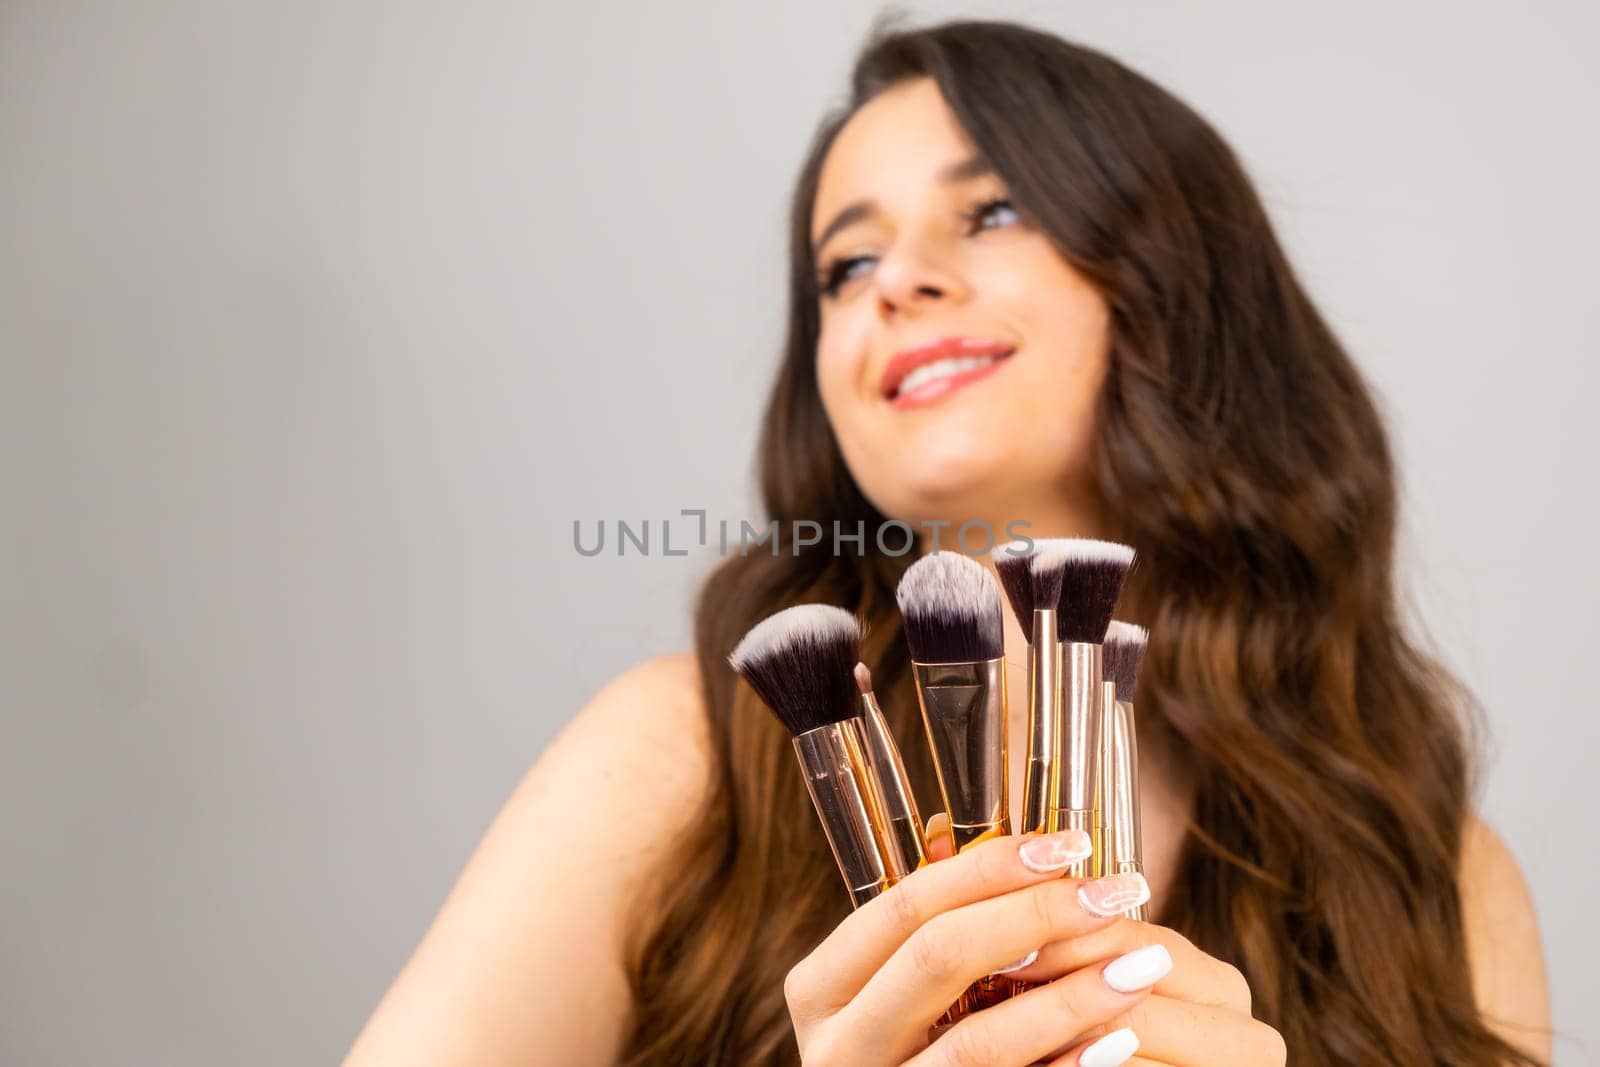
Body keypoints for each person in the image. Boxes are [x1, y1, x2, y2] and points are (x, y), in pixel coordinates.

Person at [344, 18, 1551, 1066]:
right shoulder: (682, 756)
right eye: (845, 262)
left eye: (992, 210)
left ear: (1180, 279)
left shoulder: (1430, 873)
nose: (897, 282)